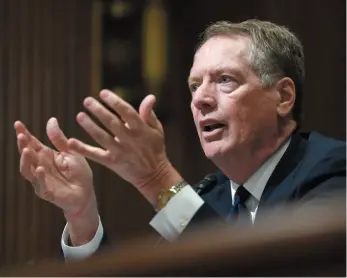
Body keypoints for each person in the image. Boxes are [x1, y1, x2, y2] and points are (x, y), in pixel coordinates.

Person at [15, 19, 345, 261]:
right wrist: (81, 215)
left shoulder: (332, 172)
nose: (200, 99)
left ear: (283, 96)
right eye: (193, 86)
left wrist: (156, 179)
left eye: (224, 79)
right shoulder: (208, 197)